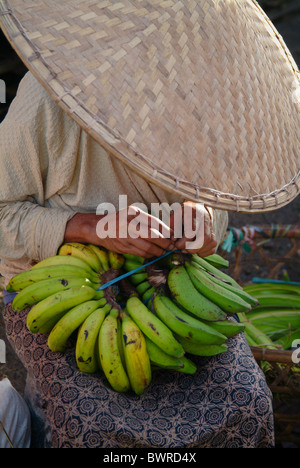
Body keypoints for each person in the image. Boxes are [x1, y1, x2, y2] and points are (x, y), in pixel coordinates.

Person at [0, 0, 299, 449]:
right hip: (58, 281)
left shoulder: (212, 111)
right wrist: (88, 228)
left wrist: (202, 219)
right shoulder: (46, 99)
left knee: (246, 401)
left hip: (171, 275)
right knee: (92, 425)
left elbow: (216, 206)